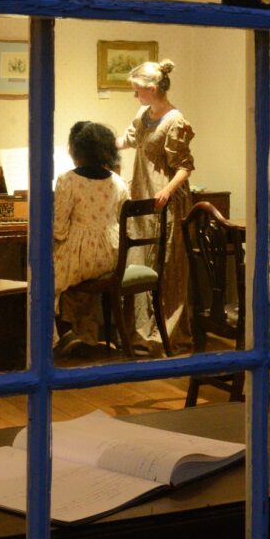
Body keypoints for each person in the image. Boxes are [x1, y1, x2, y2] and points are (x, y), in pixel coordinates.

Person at [118, 58, 194, 352]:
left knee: (166, 264)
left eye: (138, 90)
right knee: (139, 259)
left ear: (153, 89)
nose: (134, 95)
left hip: (165, 200)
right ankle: (140, 332)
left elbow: (185, 167)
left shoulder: (175, 120)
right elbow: (129, 139)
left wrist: (167, 191)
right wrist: (95, 146)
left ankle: (166, 335)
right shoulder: (143, 113)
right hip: (142, 195)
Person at [53, 121, 129, 353]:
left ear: (77, 149)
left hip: (83, 257)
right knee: (72, 277)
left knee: (43, 274)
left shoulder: (67, 180)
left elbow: (59, 229)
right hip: (111, 256)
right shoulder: (118, 182)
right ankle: (83, 333)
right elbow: (123, 222)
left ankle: (61, 333)